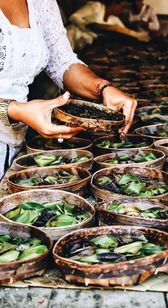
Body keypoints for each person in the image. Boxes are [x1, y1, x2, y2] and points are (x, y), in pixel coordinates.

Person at [0, 0, 137, 180]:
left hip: (15, 142)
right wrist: (14, 110)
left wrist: (103, 87)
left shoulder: (41, 2)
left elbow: (62, 61)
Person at [67, 0, 149, 51]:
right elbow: (73, 17)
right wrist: (89, 25)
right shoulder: (96, 6)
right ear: (114, 4)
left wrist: (140, 36)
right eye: (122, 6)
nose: (122, 10)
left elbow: (125, 32)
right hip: (72, 40)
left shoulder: (114, 20)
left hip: (87, 47)